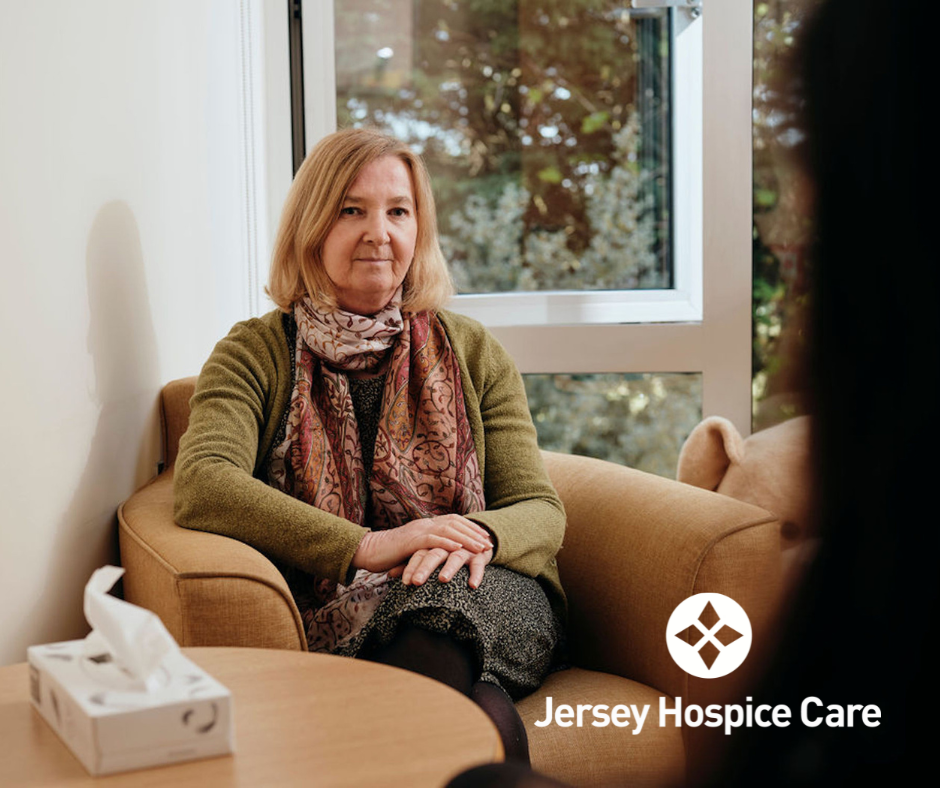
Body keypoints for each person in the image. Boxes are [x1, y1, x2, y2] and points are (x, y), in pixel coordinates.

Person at [173, 127, 566, 762]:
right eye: (352, 210)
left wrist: (467, 540)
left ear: (419, 229)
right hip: (337, 608)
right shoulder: (253, 353)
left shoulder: (473, 351)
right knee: (477, 711)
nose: (379, 233)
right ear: (311, 227)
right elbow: (204, 483)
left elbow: (540, 511)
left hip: (484, 588)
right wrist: (371, 548)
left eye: (398, 212)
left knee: (436, 606)